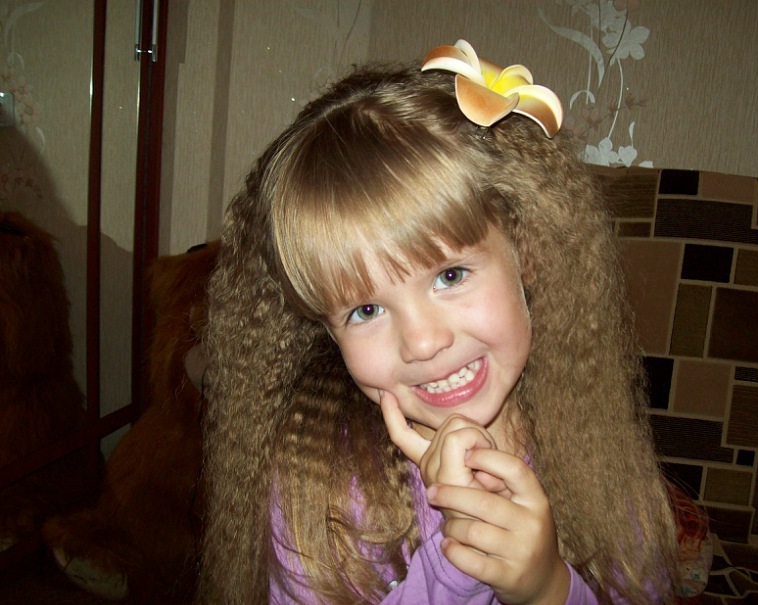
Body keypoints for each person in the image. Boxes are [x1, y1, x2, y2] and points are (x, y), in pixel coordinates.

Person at [199, 40, 683, 605]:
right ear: (327, 330)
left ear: (526, 251)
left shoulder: (589, 441)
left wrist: (552, 590)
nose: (424, 342)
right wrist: (456, 570)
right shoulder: (320, 489)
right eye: (366, 310)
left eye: (450, 276)